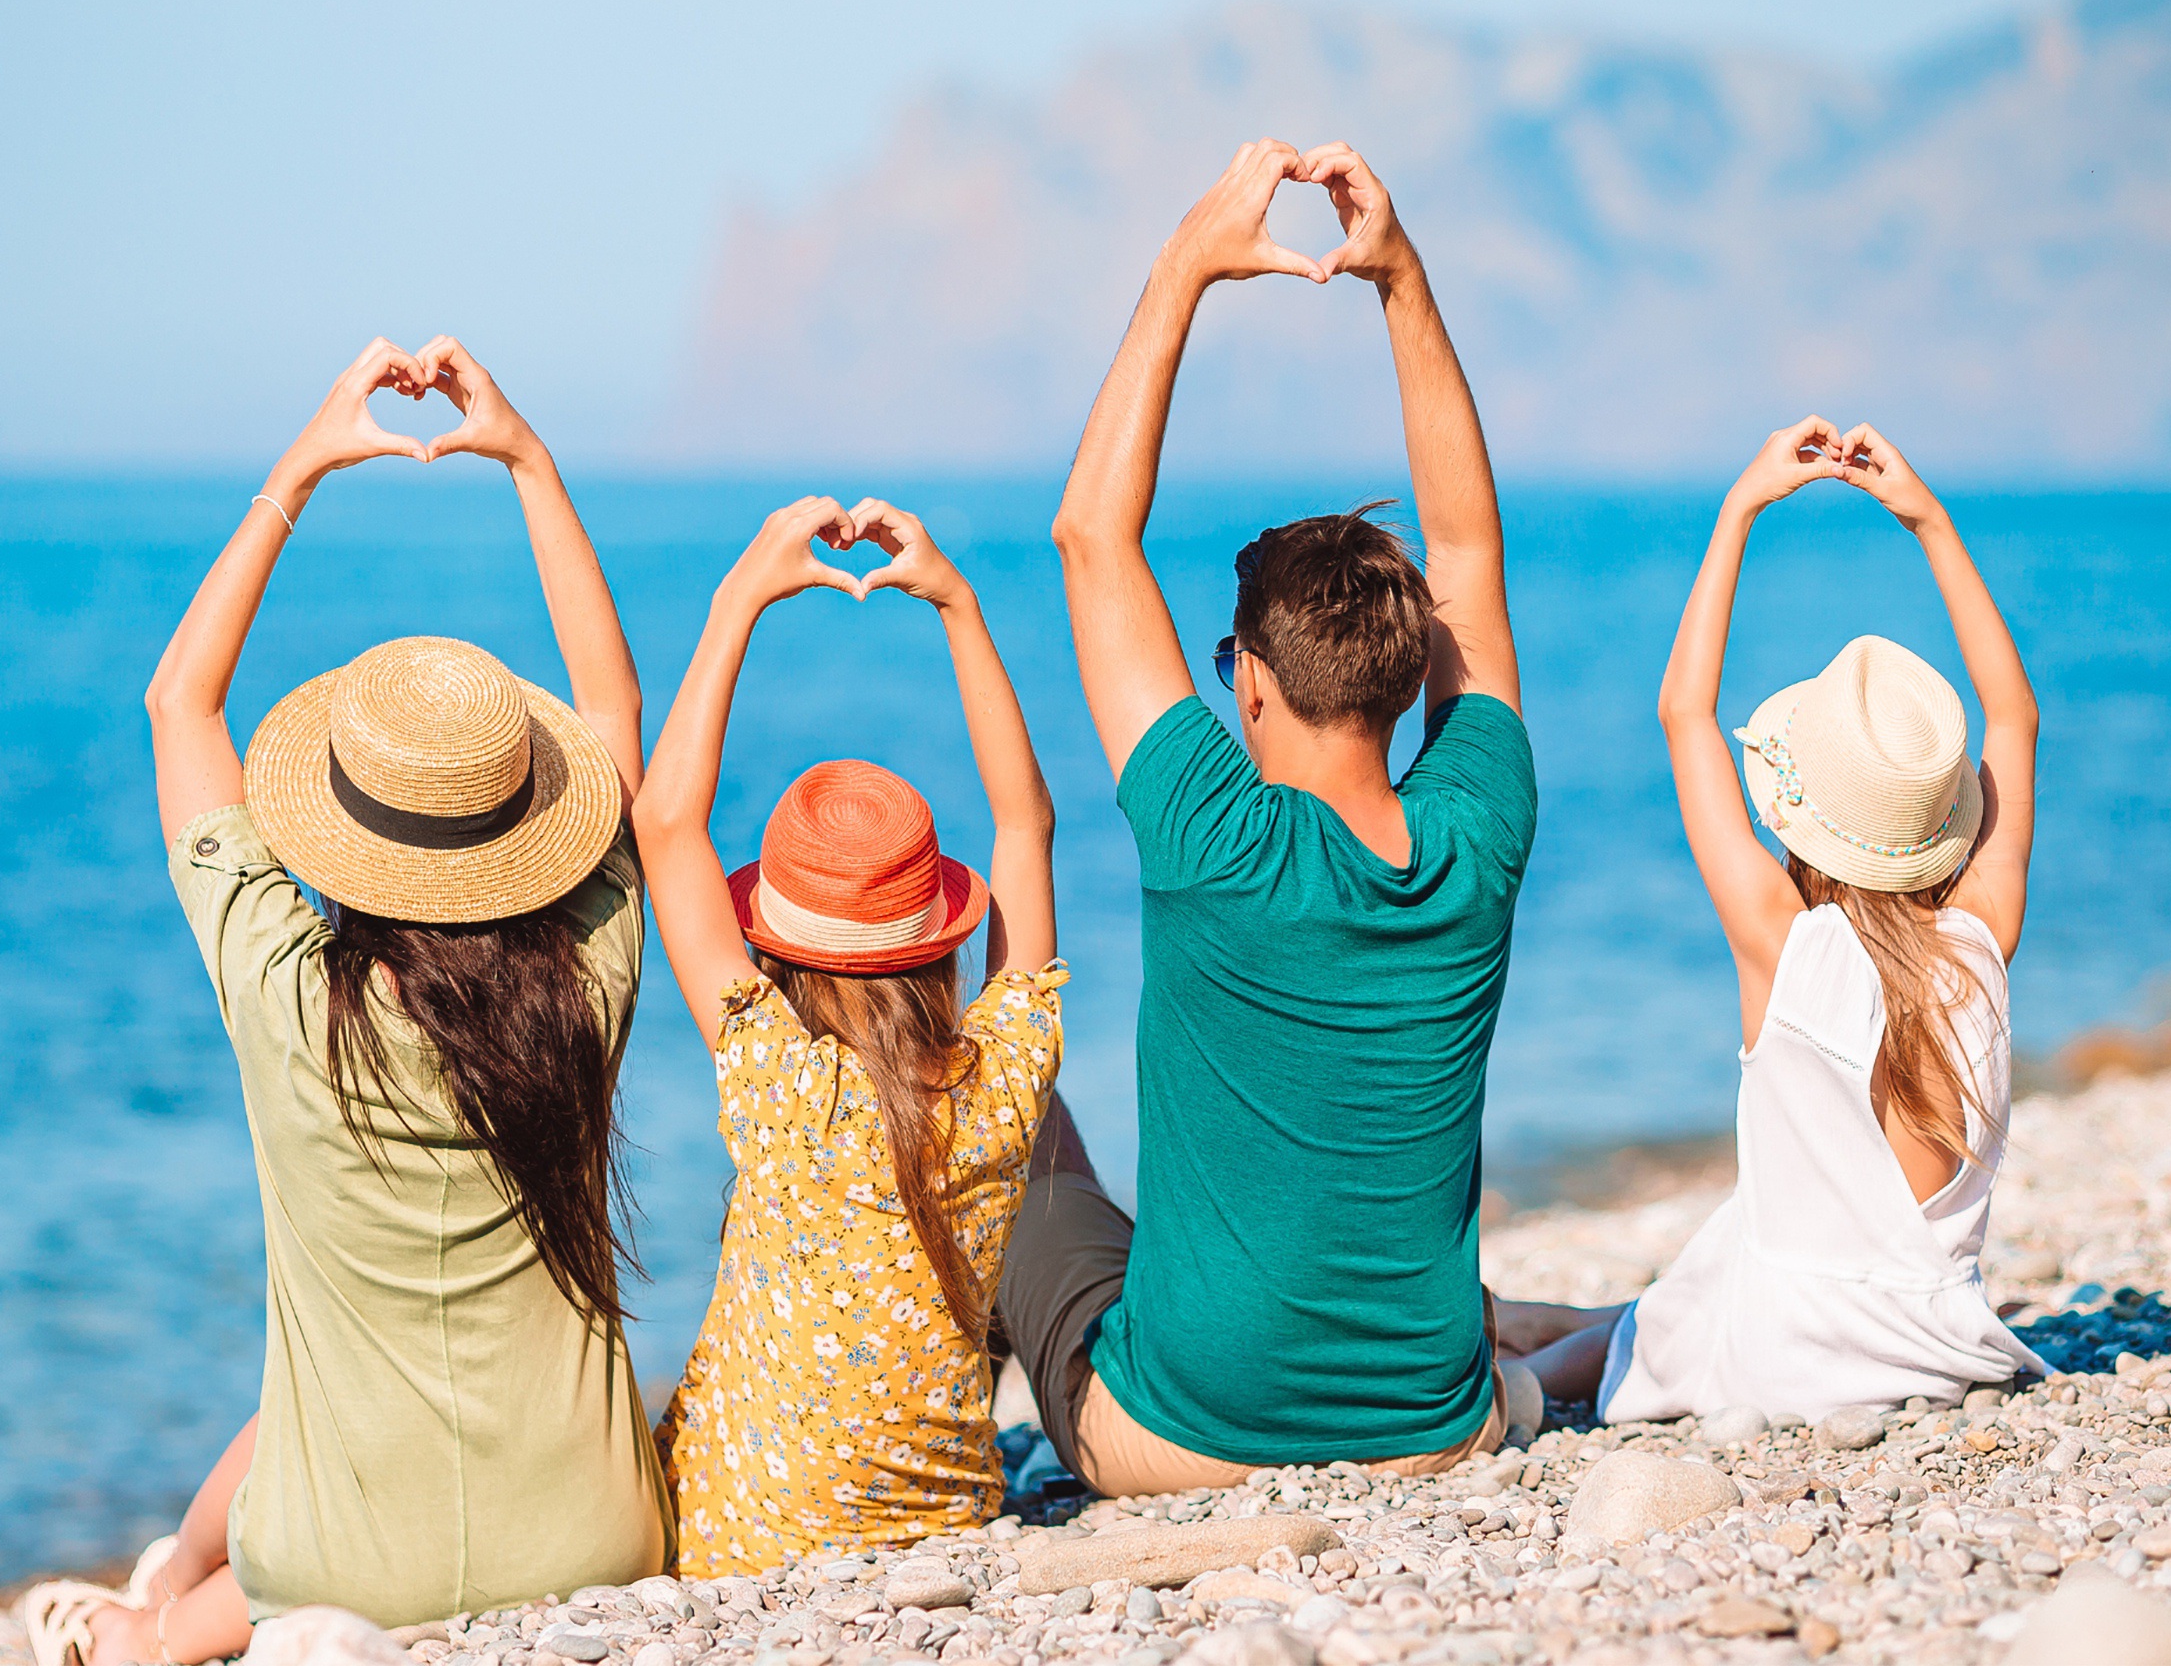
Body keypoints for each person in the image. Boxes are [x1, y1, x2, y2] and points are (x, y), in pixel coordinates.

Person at [19, 338, 668, 1666]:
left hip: (342, 1566)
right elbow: (611, 708)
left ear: (341, 841)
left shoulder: (282, 992)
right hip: (600, 1539)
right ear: (522, 827)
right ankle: (154, 1615)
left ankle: (143, 1637)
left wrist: (299, 471)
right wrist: (531, 465)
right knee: (318, 1426)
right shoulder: (590, 976)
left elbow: (177, 702)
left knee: (301, 1461)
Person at [993, 139, 1536, 1493]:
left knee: (1027, 1176)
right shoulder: (1479, 831)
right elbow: (1466, 549)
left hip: (1181, 1445)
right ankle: (1528, 1372)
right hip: (1432, 1430)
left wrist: (1185, 265)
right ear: (1419, 678)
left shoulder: (1212, 839)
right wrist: (1401, 280)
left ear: (1243, 676)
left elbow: (1090, 539)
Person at [1499, 418, 2050, 1421]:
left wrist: (1739, 509)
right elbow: (2014, 717)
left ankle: (1527, 1361)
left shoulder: (1787, 948)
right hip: (1935, 1345)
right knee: (1708, 1271)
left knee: (1679, 1310)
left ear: (1804, 823)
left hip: (1780, 1358)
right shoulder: (1982, 943)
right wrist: (1929, 520)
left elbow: (1684, 712)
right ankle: (1556, 1325)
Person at [638, 495, 1064, 1573]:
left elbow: (665, 822)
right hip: (958, 1515)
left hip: (741, 1537)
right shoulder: (1006, 1078)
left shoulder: (779, 1079)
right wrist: (959, 605)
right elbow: (1026, 823)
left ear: (771, 945)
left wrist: (743, 595)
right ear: (940, 938)